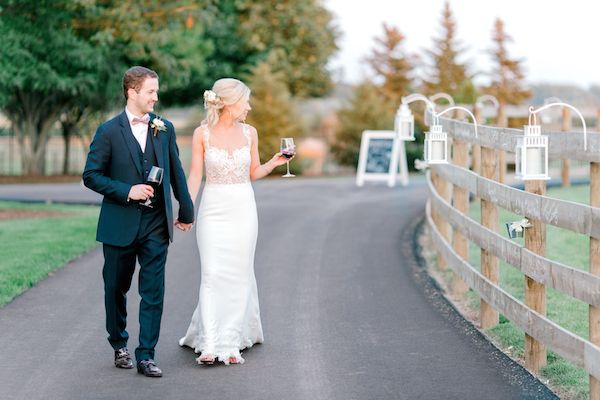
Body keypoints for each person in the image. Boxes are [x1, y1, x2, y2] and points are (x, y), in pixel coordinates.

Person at [83, 66, 194, 378]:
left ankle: (146, 355)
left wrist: (186, 209)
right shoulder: (107, 131)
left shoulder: (164, 128)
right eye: (150, 91)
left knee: (153, 291)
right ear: (132, 92)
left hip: (156, 224)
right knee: (115, 288)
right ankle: (119, 343)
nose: (156, 98)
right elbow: (91, 176)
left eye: (156, 92)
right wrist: (126, 191)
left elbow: (176, 171)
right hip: (119, 224)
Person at [179, 78, 291, 365]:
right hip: (212, 210)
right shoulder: (201, 134)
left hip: (243, 209)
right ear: (229, 104)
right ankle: (210, 342)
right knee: (212, 273)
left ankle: (230, 342)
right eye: (245, 102)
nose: (249, 107)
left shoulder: (250, 133)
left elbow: (254, 172)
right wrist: (186, 209)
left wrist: (274, 162)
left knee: (239, 273)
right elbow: (194, 176)